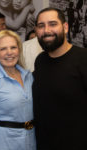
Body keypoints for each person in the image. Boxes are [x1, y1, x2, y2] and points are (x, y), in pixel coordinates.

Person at [33, 7, 87, 150]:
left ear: (65, 27)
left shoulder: (83, 59)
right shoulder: (40, 61)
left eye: (52, 24)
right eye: (41, 26)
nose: (46, 30)